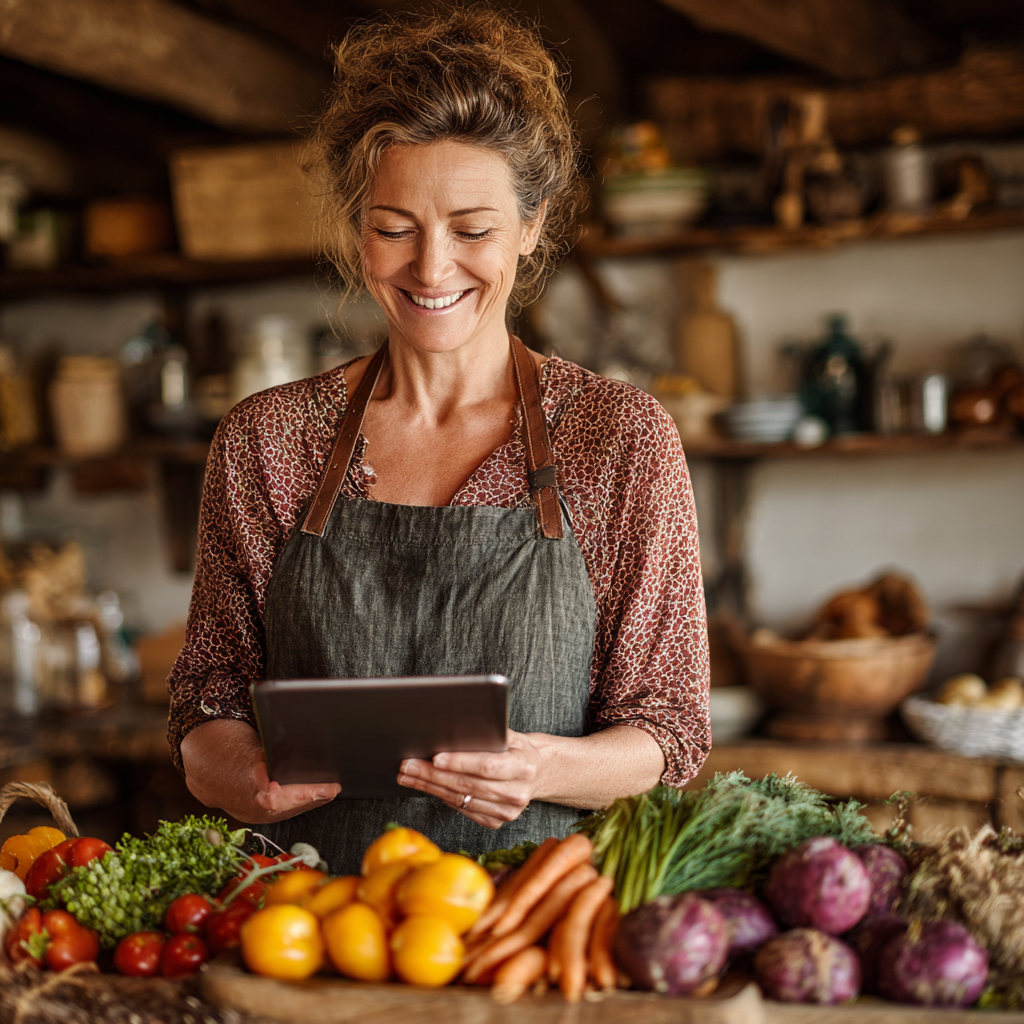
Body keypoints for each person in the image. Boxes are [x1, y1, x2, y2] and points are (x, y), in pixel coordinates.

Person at [169, 5, 710, 875]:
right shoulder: (268, 441)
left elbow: (669, 732)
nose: (431, 268)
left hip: (530, 925)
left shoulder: (618, 439)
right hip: (307, 923)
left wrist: (543, 768)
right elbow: (207, 705)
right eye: (395, 228)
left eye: (472, 229)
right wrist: (246, 778)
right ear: (358, 229)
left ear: (532, 226)